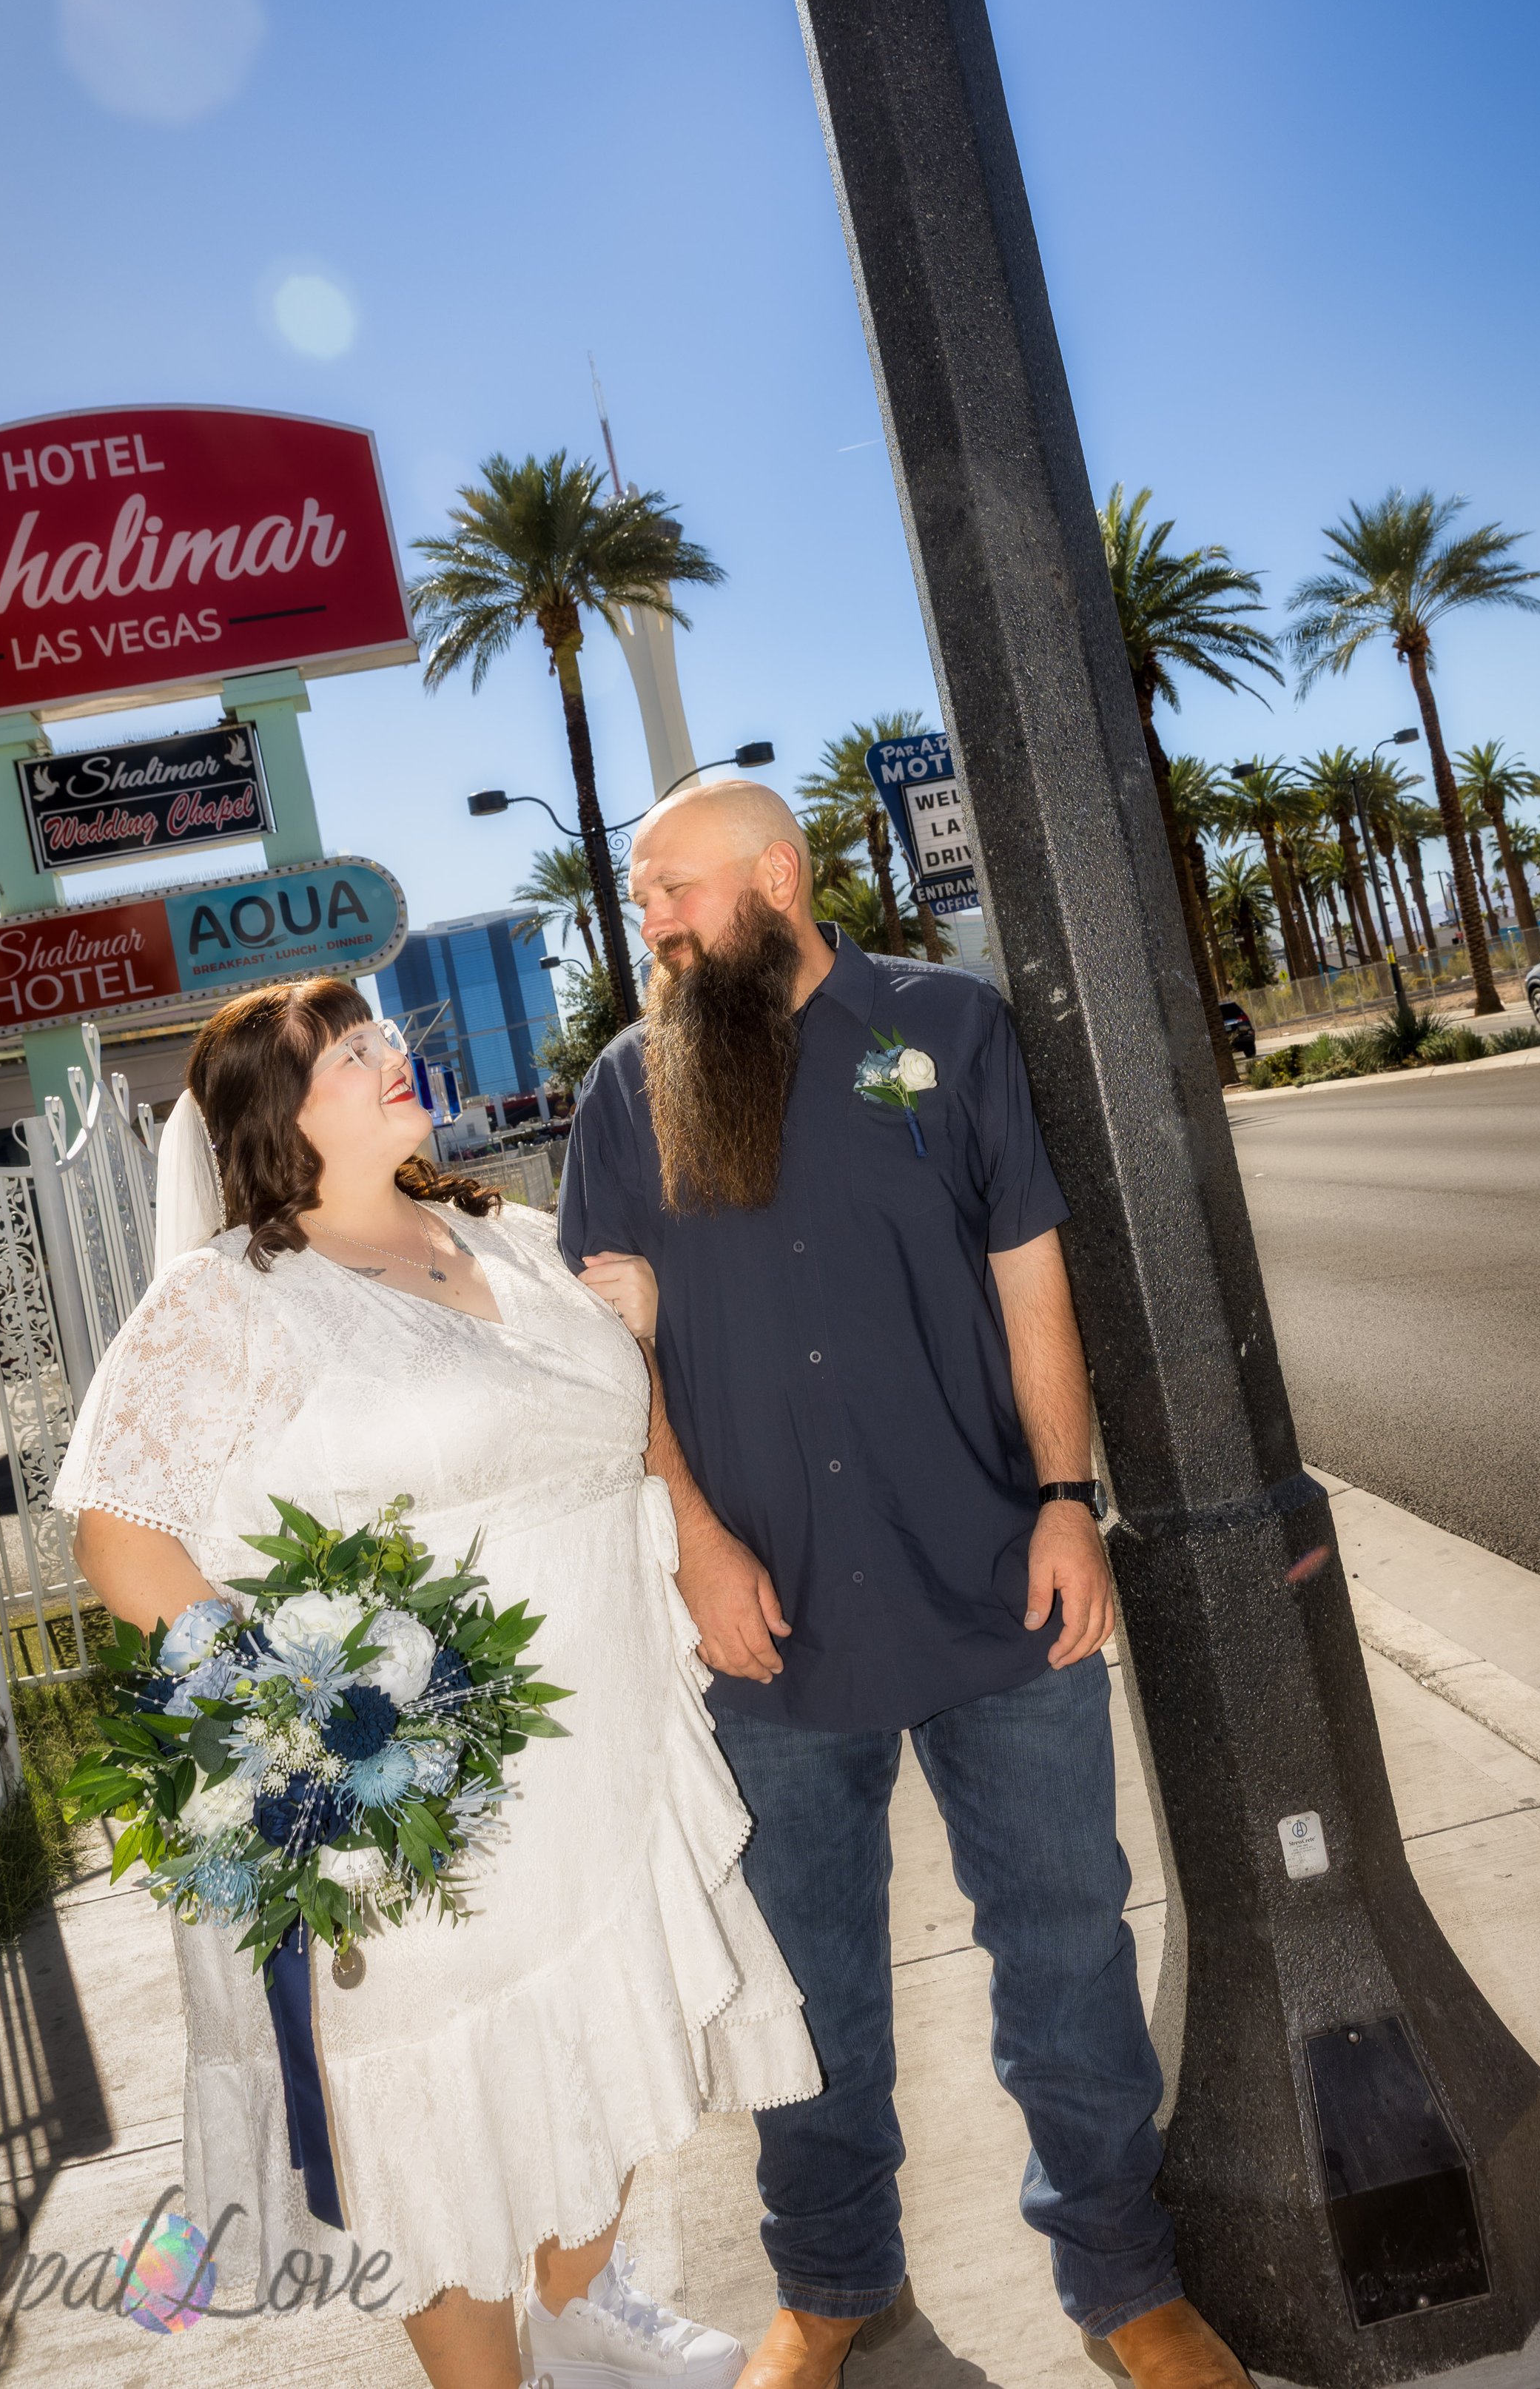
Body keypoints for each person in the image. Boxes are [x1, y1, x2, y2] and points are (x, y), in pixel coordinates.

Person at [558, 786, 1253, 2389]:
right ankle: (830, 2286)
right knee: (806, 1993)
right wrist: (695, 1541)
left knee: (1064, 1945)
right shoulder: (620, 1089)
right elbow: (611, 1350)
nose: (648, 918)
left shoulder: (945, 1028)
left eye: (670, 888)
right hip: (767, 1627)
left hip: (993, 1585)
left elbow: (1030, 1286)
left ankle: (1123, 2284)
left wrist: (1067, 1503)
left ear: (776, 879)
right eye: (641, 895)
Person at [54, 976, 820, 2389]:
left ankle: (581, 2317)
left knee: (611, 2056)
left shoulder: (510, 1235)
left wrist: (630, 1335)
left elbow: (604, 1428)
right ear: (280, 1116)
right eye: (348, 1051)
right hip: (420, 1785)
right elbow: (120, 1528)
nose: (388, 1053)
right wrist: (299, 1720)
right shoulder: (231, 1300)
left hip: (609, 1740)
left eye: (380, 1034)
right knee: (444, 2122)